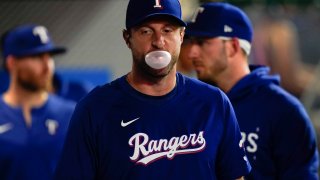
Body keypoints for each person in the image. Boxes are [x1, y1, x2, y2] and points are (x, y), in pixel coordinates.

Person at [54, 0, 251, 179]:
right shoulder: (95, 109)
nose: (158, 41)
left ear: (181, 36)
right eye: (146, 31)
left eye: (167, 30)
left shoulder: (214, 103)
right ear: (127, 38)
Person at [186, 2, 319, 179]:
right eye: (191, 42)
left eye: (203, 42)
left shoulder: (283, 110)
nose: (192, 53)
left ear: (233, 46)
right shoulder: (194, 105)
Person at [0, 24, 75, 180]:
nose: (47, 67)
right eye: (36, 57)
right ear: (12, 63)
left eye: (50, 57)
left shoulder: (72, 115)